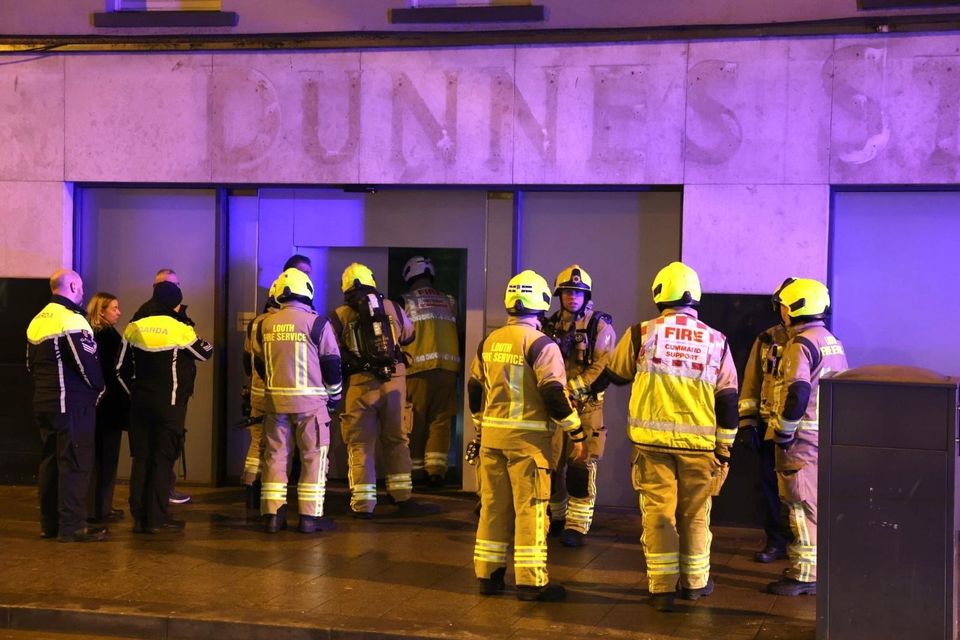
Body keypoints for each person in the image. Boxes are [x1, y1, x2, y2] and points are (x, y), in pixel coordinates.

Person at [603, 261, 738, 612]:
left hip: (651, 446)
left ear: (659, 293)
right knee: (695, 515)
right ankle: (695, 584)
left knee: (658, 514)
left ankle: (662, 589)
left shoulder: (641, 333)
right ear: (695, 296)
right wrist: (724, 449)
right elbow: (728, 400)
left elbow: (615, 373)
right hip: (700, 446)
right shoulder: (717, 341)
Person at [469, 270, 586, 602]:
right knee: (530, 510)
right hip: (528, 445)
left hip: (492, 442)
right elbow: (553, 394)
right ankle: (531, 583)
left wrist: (481, 424)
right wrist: (575, 431)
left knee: (493, 508)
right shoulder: (541, 345)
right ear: (543, 302)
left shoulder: (489, 341)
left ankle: (488, 577)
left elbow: (474, 389)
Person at [765, 278, 848, 597]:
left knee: (799, 505)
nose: (781, 313)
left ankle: (804, 575)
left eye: (784, 306)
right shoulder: (830, 340)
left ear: (795, 308)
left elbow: (797, 392)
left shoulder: (800, 345)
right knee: (815, 505)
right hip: (824, 437)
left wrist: (784, 433)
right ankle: (813, 567)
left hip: (801, 441)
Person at [118, 281, 213, 533]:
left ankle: (139, 516)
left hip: (139, 406)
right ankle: (156, 519)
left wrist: (134, 394)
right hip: (169, 407)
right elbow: (205, 353)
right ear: (176, 302)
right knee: (162, 460)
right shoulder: (179, 328)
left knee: (141, 459)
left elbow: (120, 370)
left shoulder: (134, 326)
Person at [252, 269, 342, 533]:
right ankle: (309, 518)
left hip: (275, 405)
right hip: (311, 406)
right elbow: (332, 364)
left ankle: (272, 515)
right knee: (314, 459)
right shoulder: (317, 324)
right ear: (308, 291)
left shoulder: (264, 324)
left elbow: (259, 364)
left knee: (275, 458)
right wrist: (334, 397)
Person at [26, 269, 106, 542]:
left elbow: (31, 366)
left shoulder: (37, 320)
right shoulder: (72, 319)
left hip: (44, 403)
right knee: (75, 463)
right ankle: (72, 527)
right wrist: (99, 388)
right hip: (71, 404)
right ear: (72, 285)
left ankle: (49, 525)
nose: (83, 292)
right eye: (81, 286)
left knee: (50, 464)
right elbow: (86, 364)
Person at [331, 263, 416, 518]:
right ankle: (402, 495)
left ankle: (364, 504)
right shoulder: (393, 308)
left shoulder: (339, 315)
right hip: (394, 382)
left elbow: (331, 351)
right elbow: (409, 337)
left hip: (360, 385)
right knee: (397, 439)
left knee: (360, 444)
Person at [542, 265, 616, 547]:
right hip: (558, 409)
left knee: (580, 466)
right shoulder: (548, 325)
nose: (573, 297)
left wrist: (573, 389)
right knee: (552, 463)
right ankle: (557, 518)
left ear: (586, 296)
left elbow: (602, 365)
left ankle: (577, 525)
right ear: (559, 295)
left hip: (585, 408)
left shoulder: (599, 326)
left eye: (578, 292)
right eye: (568, 292)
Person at [737, 280, 794, 563]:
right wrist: (748, 423)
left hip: (803, 434)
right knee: (770, 487)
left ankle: (802, 543)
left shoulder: (818, 340)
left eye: (789, 304)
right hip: (769, 429)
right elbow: (751, 383)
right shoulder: (767, 340)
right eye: (782, 305)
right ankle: (776, 541)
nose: (786, 310)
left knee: (801, 492)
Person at [132, 268, 193, 506]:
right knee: (156, 453)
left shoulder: (177, 314)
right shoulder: (145, 315)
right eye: (169, 285)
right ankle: (155, 504)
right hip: (162, 398)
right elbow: (200, 350)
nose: (175, 289)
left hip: (173, 394)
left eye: (177, 284)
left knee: (164, 450)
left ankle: (161, 496)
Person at [400, 256, 461, 487]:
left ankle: (414, 473)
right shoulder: (449, 301)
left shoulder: (405, 301)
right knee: (441, 421)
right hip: (447, 371)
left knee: (415, 422)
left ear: (408, 275)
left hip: (417, 370)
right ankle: (436, 471)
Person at [240, 279, 282, 511]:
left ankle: (250, 490)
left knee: (257, 442)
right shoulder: (285, 321)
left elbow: (247, 361)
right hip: (280, 395)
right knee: (279, 445)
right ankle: (274, 498)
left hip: (257, 392)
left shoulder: (256, 323)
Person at [86, 292, 129, 523]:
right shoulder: (108, 338)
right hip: (109, 406)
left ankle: (98, 507)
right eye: (114, 308)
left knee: (95, 459)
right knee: (107, 458)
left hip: (93, 406)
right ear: (101, 311)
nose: (119, 312)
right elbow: (116, 373)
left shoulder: (89, 334)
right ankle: (100, 508)